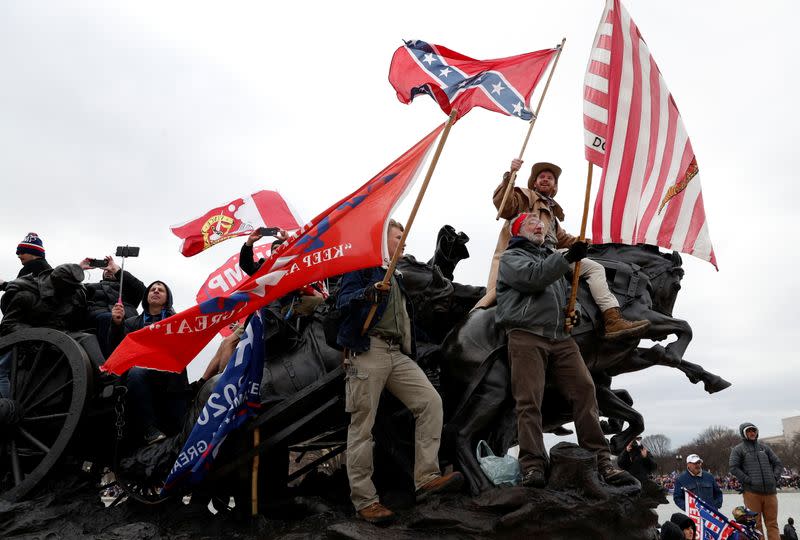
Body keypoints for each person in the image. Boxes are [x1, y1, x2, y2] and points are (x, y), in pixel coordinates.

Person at [494, 212, 637, 488]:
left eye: (542, 223)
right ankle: (533, 465)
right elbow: (534, 278)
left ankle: (601, 460)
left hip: (560, 338)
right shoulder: (511, 258)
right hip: (526, 335)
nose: (540, 226)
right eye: (531, 223)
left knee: (585, 390)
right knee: (528, 402)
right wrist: (567, 258)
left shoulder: (551, 256)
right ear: (517, 231)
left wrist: (577, 313)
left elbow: (567, 297)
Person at [335, 219, 463, 524]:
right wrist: (368, 293)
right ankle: (365, 500)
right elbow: (340, 301)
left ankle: (426, 477)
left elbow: (406, 321)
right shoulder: (363, 268)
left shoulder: (399, 276)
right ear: (382, 240)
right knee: (362, 427)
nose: (403, 242)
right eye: (397, 237)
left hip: (397, 353)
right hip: (368, 350)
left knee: (430, 403)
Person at [477, 159, 650, 340]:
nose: (545, 179)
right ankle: (612, 319)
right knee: (594, 268)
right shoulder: (524, 198)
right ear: (534, 183)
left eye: (550, 178)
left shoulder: (552, 215)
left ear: (555, 186)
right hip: (528, 257)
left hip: (551, 255)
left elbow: (563, 239)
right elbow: (505, 205)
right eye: (541, 177)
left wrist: (597, 242)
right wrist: (510, 176)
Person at [109, 281, 189, 445]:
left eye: (161, 290)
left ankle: (181, 428)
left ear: (167, 298)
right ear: (146, 296)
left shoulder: (179, 321)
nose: (156, 291)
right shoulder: (131, 323)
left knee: (177, 370)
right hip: (141, 371)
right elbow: (117, 349)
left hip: (169, 370)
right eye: (152, 289)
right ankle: (149, 429)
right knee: (136, 372)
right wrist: (117, 325)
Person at [0, 264, 87, 397]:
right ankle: (5, 405)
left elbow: (78, 321)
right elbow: (8, 324)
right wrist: (38, 334)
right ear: (59, 284)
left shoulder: (76, 295)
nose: (74, 291)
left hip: (61, 338)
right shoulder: (27, 294)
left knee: (86, 338)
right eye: (70, 287)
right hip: (28, 342)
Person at [240, 228, 327, 318]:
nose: (278, 249)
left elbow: (310, 254)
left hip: (297, 303)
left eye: (281, 247)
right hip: (273, 308)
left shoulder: (296, 264)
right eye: (275, 248)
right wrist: (249, 242)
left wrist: (288, 241)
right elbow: (247, 265)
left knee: (320, 301)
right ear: (271, 253)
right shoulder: (265, 267)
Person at [81, 255, 145, 357]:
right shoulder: (90, 287)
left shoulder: (128, 290)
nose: (108, 270)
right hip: (98, 320)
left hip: (127, 321)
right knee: (108, 318)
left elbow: (141, 289)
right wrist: (79, 269)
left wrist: (116, 269)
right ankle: (108, 363)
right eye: (106, 269)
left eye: (111, 269)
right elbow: (70, 291)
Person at [729, 422, 783, 540]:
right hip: (752, 492)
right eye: (749, 431)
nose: (752, 433)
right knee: (756, 525)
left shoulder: (764, 447)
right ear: (743, 433)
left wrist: (774, 478)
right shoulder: (738, 449)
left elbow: (778, 463)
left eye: (754, 430)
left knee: (772, 524)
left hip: (770, 492)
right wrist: (748, 480)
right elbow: (733, 467)